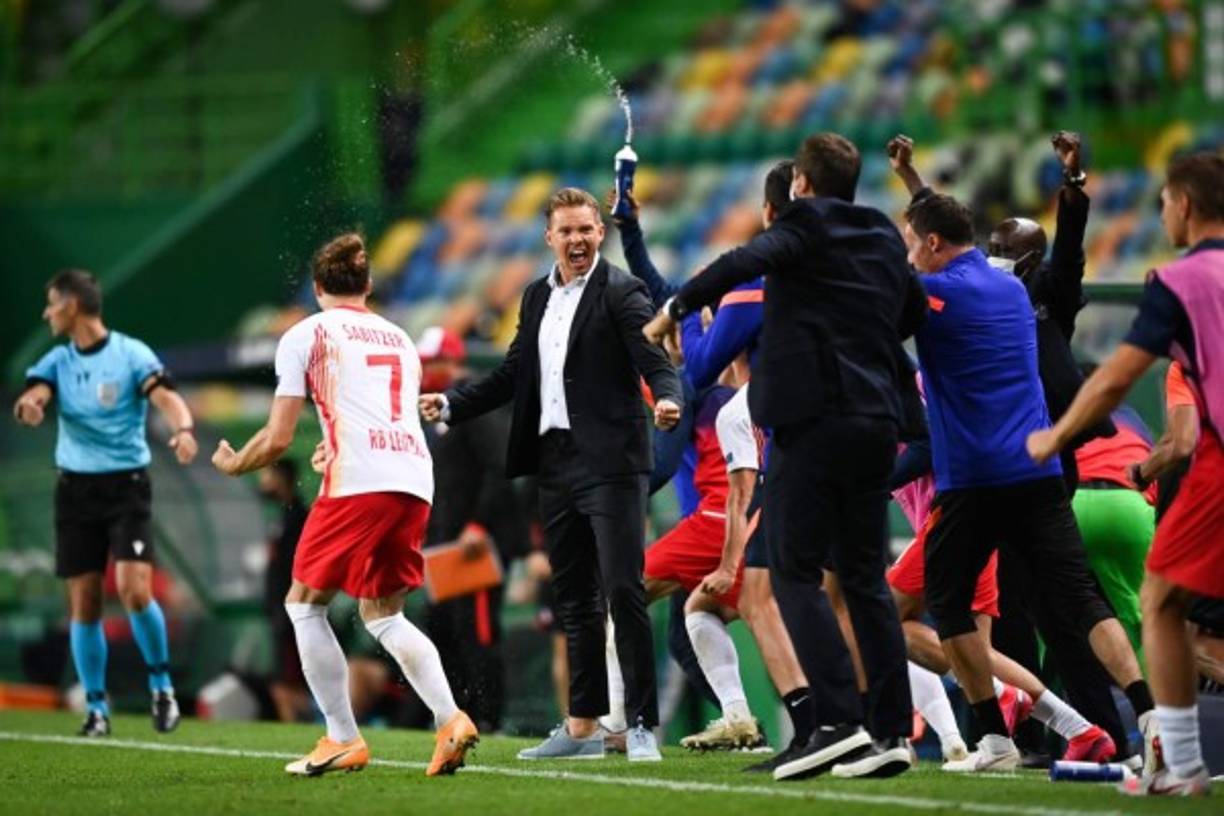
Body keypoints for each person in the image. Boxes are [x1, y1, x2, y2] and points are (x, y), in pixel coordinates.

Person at [645, 133, 926, 780]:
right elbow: (909, 310)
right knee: (862, 579)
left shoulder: (801, 224)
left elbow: (742, 262)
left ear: (801, 183)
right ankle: (889, 733)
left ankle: (836, 723)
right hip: (878, 421)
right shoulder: (883, 235)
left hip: (815, 419)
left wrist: (675, 310)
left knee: (789, 570)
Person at [888, 131, 1130, 763]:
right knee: (1022, 611)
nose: (997, 257)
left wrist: (1073, 186)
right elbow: (944, 233)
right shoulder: (1001, 288)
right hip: (1019, 465)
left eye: (1008, 251)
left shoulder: (1043, 294)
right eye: (990, 247)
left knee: (1053, 612)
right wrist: (914, 183)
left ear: (1030, 262)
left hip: (1019, 463)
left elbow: (1058, 248)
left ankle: (1093, 728)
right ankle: (1018, 733)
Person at [420, 188, 683, 762]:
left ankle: (640, 725)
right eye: (566, 231)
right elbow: (515, 372)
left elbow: (654, 360)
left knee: (622, 590)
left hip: (612, 464)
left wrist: (666, 399)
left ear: (599, 232)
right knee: (575, 599)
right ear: (548, 237)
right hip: (556, 465)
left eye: (586, 229)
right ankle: (582, 726)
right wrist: (454, 404)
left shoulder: (622, 291)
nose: (578, 240)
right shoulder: (537, 295)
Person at [211, 232, 477, 778]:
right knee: (383, 612)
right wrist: (335, 443)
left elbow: (278, 437)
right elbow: (379, 414)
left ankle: (341, 736)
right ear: (369, 286)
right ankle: (450, 719)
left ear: (315, 288)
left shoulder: (305, 333)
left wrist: (237, 462)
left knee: (303, 603)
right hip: (412, 480)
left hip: (357, 484)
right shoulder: (400, 337)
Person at [1028, 151, 1224, 797]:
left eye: (1164, 201)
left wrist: (1057, 434)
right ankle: (1177, 759)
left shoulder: (1182, 281)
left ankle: (1176, 759)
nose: (1161, 211)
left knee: (1160, 600)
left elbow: (1116, 375)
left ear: (1186, 206)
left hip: (1215, 466)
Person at [609, 165, 814, 760]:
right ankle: (752, 723)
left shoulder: (709, 387)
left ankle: (616, 723)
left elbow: (668, 462)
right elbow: (663, 289)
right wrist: (634, 233)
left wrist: (625, 494)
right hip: (754, 511)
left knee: (627, 599)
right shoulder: (743, 361)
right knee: (702, 619)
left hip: (725, 521)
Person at [13, 269, 197, 737]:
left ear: (72, 305)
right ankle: (96, 708)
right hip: (75, 491)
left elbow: (167, 397)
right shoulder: (56, 360)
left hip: (125, 487)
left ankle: (162, 688)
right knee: (85, 602)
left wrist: (183, 430)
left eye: (51, 303)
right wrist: (30, 406)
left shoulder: (130, 354)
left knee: (136, 590)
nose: (46, 312)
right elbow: (34, 394)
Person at [417, 325, 531, 734]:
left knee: (477, 629)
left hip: (474, 543)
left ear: (453, 362)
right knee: (446, 627)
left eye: (433, 362)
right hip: (445, 543)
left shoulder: (472, 404)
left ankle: (490, 717)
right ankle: (458, 713)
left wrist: (478, 523)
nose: (427, 371)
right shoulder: (435, 414)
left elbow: (500, 467)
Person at [257, 459, 310, 723]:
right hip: (278, 610)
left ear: (282, 477)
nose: (262, 481)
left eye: (267, 473)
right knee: (282, 682)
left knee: (288, 684)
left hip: (291, 611)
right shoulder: (280, 514)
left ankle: (309, 727)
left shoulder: (299, 516)